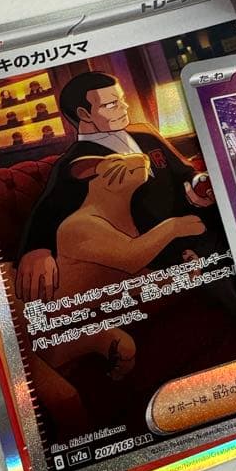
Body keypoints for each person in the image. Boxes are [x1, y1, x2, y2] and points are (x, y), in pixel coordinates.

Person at [15, 71, 214, 301]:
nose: (124, 107)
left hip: (203, 224)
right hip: (161, 251)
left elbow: (184, 171)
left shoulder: (145, 134)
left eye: (122, 99)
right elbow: (49, 208)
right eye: (111, 105)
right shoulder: (74, 162)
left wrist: (198, 181)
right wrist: (37, 250)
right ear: (84, 114)